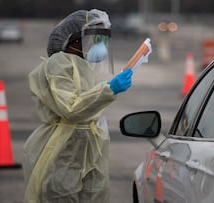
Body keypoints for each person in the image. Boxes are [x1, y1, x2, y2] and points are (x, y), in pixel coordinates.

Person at [22, 9, 133, 202]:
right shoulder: (59, 64)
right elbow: (71, 108)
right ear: (75, 39)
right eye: (96, 37)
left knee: (96, 194)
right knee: (61, 193)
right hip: (64, 148)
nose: (101, 44)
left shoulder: (84, 66)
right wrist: (109, 89)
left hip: (89, 145)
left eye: (104, 38)